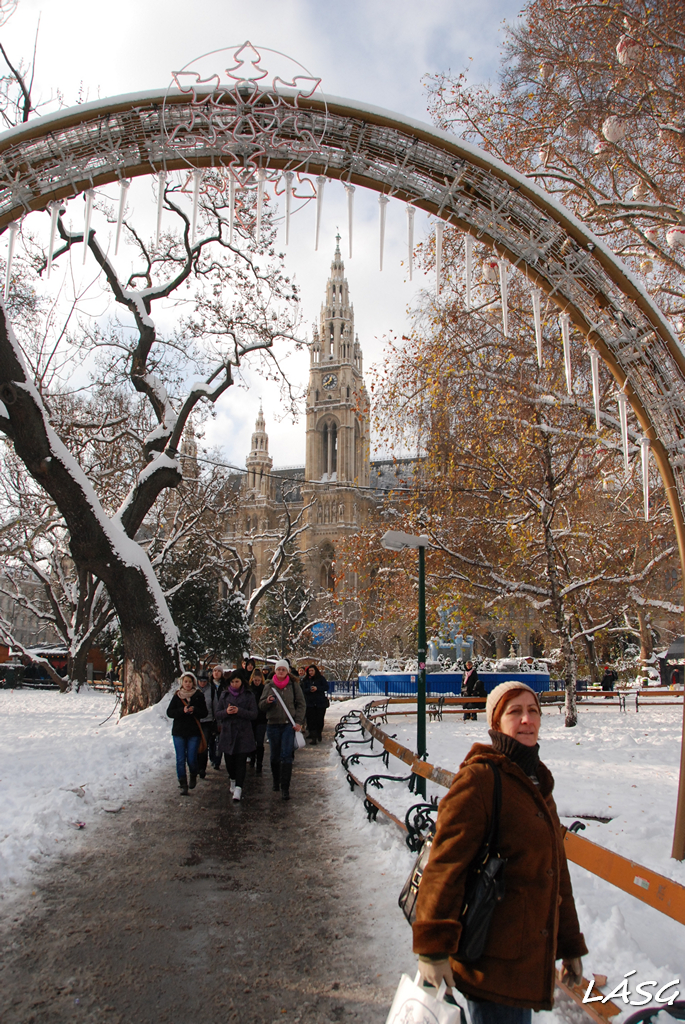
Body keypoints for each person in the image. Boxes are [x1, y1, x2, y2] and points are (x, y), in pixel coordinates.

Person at [413, 680, 587, 1023]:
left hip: (525, 960)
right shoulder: (480, 779)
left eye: (533, 711)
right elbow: (446, 866)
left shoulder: (536, 781)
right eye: (515, 711)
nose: (527, 720)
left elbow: (555, 872)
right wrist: (432, 948)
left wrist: (569, 945)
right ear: (496, 723)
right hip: (492, 963)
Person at [260, 659, 306, 800]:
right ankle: (276, 781)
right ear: (275, 670)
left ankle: (285, 787)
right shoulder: (269, 685)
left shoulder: (293, 685)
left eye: (283, 670)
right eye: (278, 669)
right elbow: (261, 705)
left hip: (288, 725)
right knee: (274, 755)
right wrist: (267, 702)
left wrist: (298, 721)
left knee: (286, 755)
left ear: (287, 671)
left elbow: (301, 704)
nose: (280, 672)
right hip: (273, 724)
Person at [216, 671, 258, 802]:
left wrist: (239, 711)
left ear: (241, 682)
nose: (234, 684)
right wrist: (226, 712)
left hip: (243, 732)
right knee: (229, 761)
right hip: (228, 732)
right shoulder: (224, 695)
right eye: (232, 682)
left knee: (241, 761)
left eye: (237, 682)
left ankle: (239, 787)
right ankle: (232, 779)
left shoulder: (248, 695)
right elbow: (217, 713)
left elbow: (254, 714)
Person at [166, 672, 208, 796]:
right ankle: (183, 783)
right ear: (182, 683)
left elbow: (204, 712)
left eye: (190, 682)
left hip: (193, 732)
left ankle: (193, 774)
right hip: (179, 731)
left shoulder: (198, 695)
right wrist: (181, 711)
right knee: (180, 759)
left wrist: (194, 710)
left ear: (193, 683)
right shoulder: (177, 696)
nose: (188, 684)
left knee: (191, 757)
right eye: (185, 682)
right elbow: (169, 712)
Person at [197, 668, 223, 776]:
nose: (202, 683)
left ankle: (202, 768)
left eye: (204, 681)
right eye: (200, 681)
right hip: (195, 721)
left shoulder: (211, 690)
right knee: (195, 745)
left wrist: (218, 722)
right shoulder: (194, 689)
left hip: (207, 721)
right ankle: (196, 766)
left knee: (204, 745)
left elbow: (215, 706)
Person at [302, 663, 329, 743]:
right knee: (311, 720)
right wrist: (309, 689)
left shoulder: (321, 678)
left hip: (320, 703)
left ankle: (318, 733)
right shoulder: (306, 680)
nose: (311, 672)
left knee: (319, 719)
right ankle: (313, 737)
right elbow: (303, 689)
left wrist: (317, 688)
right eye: (309, 671)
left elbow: (326, 687)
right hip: (310, 703)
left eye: (312, 670)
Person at [248, 667, 268, 773]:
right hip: (251, 718)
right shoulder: (249, 689)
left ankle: (259, 762)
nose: (256, 682)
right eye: (255, 680)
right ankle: (252, 758)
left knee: (259, 742)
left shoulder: (264, 689)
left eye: (258, 680)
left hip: (261, 718)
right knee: (251, 741)